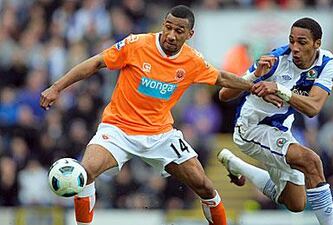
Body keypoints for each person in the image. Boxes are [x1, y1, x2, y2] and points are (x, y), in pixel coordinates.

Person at [40, 5, 269, 225]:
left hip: (160, 135)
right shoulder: (136, 44)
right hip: (118, 128)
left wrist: (254, 86)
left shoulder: (192, 61)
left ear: (189, 34)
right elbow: (98, 62)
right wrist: (57, 87)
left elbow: (221, 78)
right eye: (167, 27)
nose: (170, 34)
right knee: (87, 171)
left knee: (205, 187)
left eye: (178, 31)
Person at [217, 17, 333, 225]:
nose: (295, 48)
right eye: (292, 41)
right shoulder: (275, 60)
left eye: (302, 42)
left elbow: (313, 107)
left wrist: (279, 90)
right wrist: (255, 76)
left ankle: (236, 164)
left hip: (280, 130)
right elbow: (224, 94)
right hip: (251, 128)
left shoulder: (328, 63)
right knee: (311, 162)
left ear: (317, 44)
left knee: (295, 203)